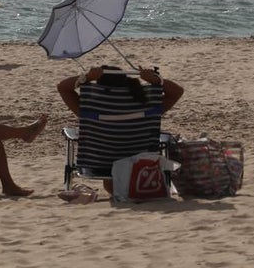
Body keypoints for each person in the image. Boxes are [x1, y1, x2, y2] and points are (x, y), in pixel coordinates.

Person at [55, 65, 184, 193]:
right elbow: (177, 91)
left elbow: (62, 87)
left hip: (100, 166)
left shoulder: (91, 105)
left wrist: (86, 77)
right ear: (126, 80)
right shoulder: (147, 103)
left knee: (110, 186)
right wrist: (156, 80)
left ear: (99, 86)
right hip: (140, 166)